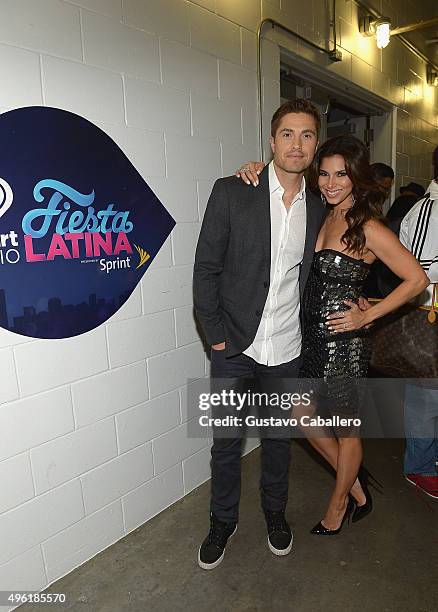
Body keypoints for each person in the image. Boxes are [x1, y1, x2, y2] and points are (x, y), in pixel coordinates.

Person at [236, 136, 428, 535]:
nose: (330, 182)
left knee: (348, 430)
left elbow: (417, 280)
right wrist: (254, 169)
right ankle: (357, 486)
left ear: (356, 177)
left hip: (344, 345)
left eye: (341, 173)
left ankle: (338, 504)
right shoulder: (318, 212)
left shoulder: (369, 227)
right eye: (323, 173)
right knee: (300, 416)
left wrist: (368, 314)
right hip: (308, 339)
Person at [193, 99, 325, 569]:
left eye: (307, 135)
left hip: (287, 347)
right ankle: (221, 522)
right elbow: (205, 269)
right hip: (235, 346)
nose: (297, 143)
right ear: (272, 141)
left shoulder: (319, 206)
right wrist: (217, 339)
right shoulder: (233, 190)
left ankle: (275, 514)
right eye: (287, 134)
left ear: (315, 145)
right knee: (225, 443)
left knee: (277, 440)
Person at [399, 146, 438, 500]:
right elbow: (421, 271)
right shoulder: (428, 209)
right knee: (426, 399)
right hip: (428, 318)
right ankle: (420, 467)